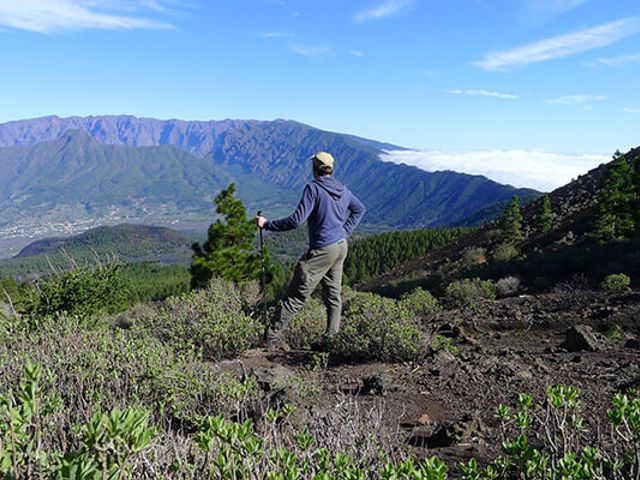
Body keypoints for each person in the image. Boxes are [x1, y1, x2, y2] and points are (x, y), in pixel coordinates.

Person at [256, 151, 365, 349]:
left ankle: (270, 340)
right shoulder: (342, 189)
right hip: (341, 247)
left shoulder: (313, 189)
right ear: (331, 169)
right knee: (333, 296)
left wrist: (267, 224)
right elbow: (359, 209)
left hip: (323, 249)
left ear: (314, 168)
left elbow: (296, 221)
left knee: (296, 296)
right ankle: (331, 340)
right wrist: (344, 231)